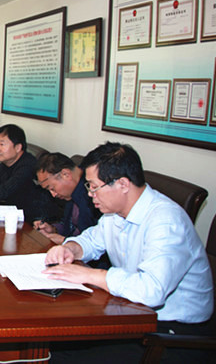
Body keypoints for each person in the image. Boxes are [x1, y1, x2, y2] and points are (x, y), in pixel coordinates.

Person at [43, 142, 213, 363]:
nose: (90, 195)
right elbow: (92, 240)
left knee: (60, 357)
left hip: (173, 334)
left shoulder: (166, 221)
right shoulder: (114, 214)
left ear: (122, 184)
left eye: (94, 187)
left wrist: (90, 275)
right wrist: (70, 248)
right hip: (132, 313)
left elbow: (151, 291)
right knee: (50, 344)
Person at [33, 152, 100, 244]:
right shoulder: (71, 191)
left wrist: (64, 241)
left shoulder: (93, 194)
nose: (53, 194)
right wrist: (54, 229)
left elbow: (93, 242)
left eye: (52, 188)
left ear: (66, 174)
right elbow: (69, 225)